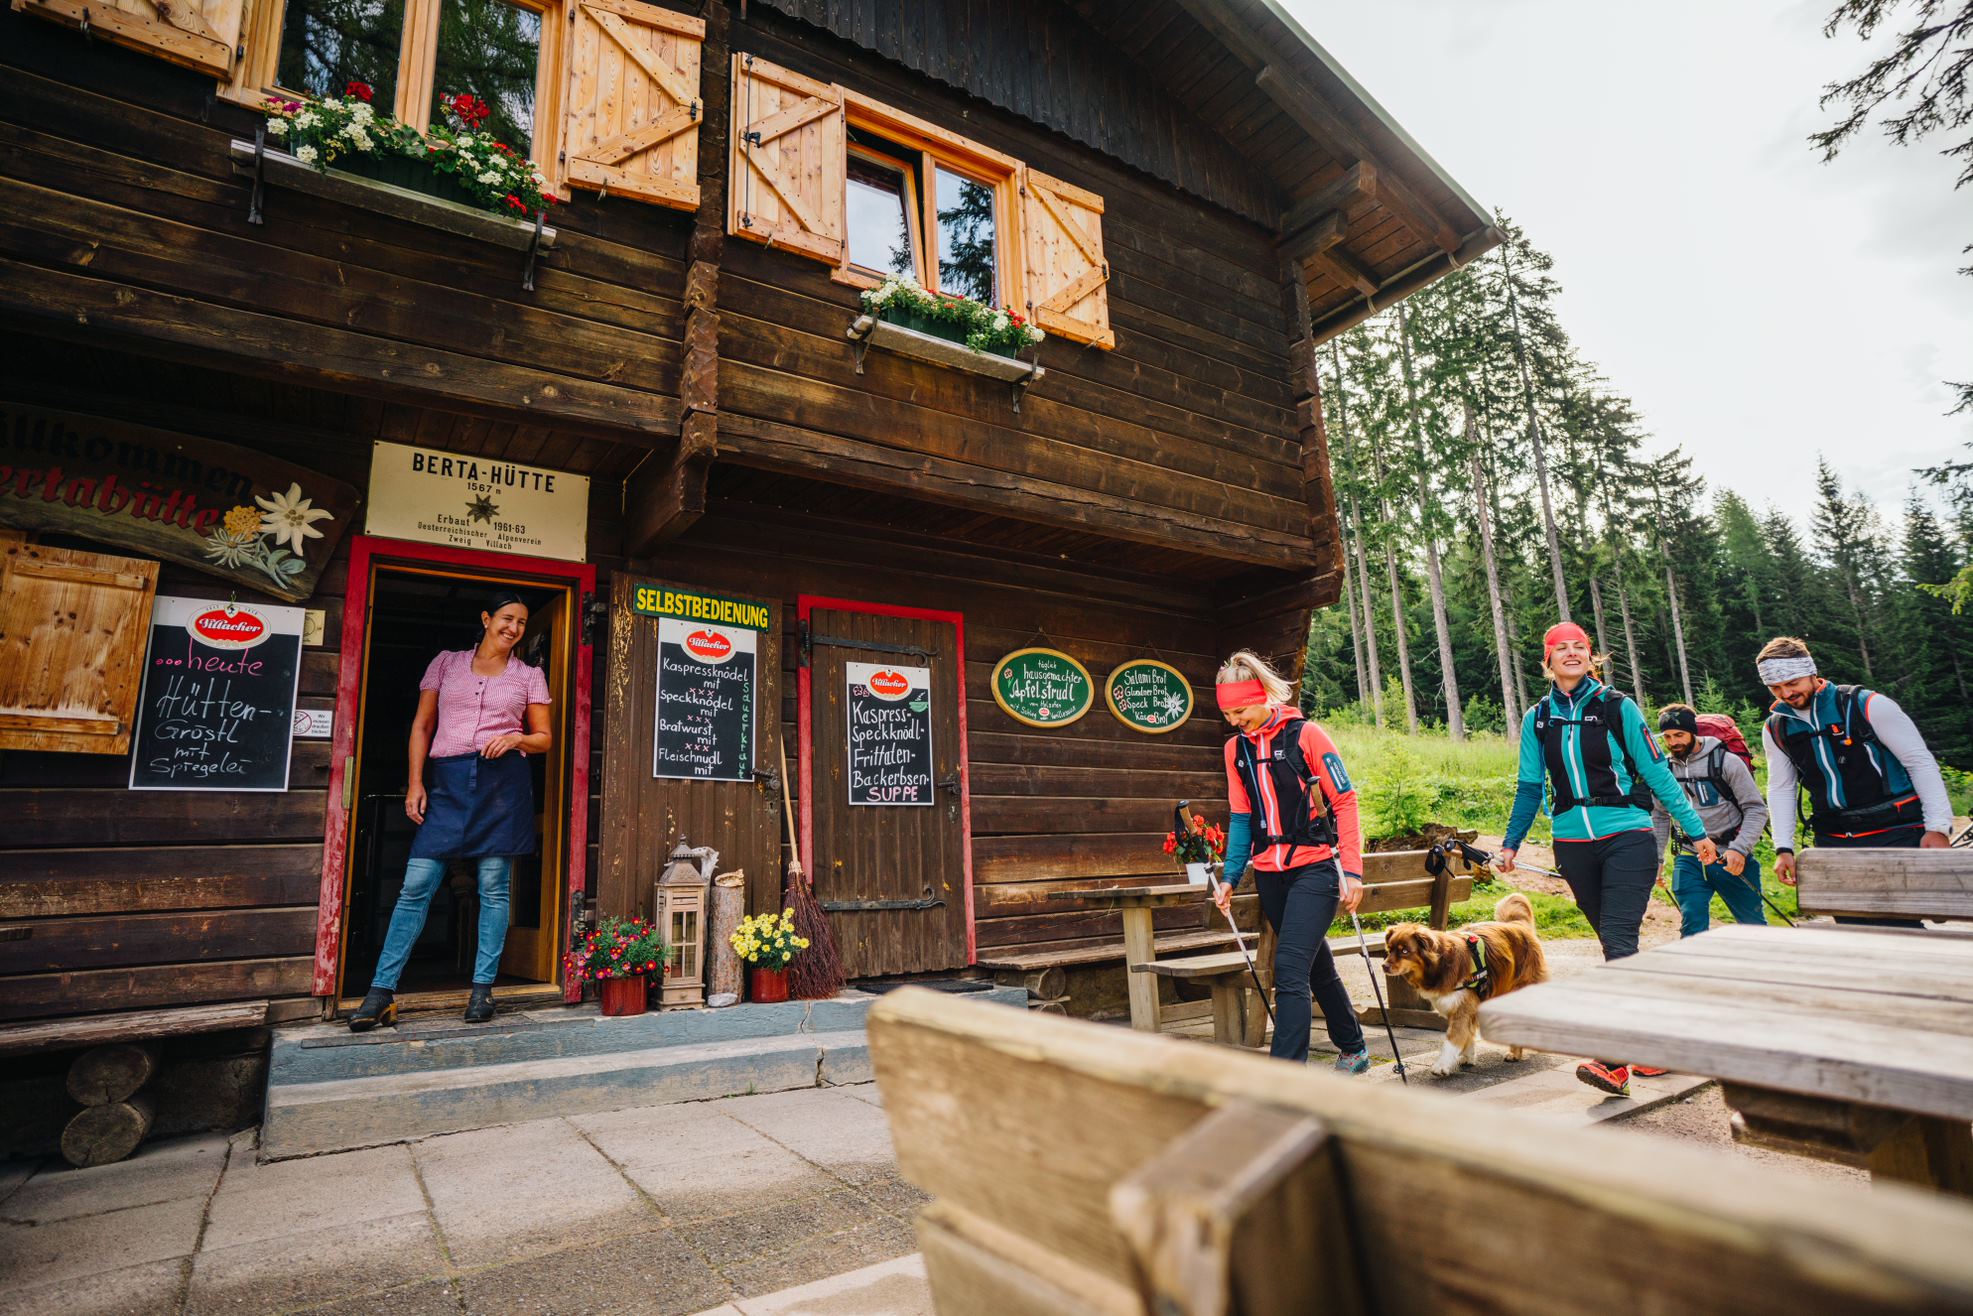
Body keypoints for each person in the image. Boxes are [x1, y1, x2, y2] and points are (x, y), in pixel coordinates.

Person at [1498, 623, 1717, 1096]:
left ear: (1593, 659)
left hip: (1627, 837)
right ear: (1548, 663)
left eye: (1581, 647)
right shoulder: (1538, 719)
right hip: (1572, 844)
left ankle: (1614, 1059)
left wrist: (1695, 830)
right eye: (1561, 649)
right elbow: (1530, 786)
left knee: (1618, 940)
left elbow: (1657, 772)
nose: (1572, 654)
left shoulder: (1618, 707)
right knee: (1616, 947)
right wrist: (1512, 843)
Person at [349, 591, 552, 1030]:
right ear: (486, 618)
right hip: (447, 781)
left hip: (502, 785)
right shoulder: (445, 663)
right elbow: (422, 725)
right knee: (417, 883)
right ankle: (381, 993)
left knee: (494, 886)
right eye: (506, 618)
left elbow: (545, 738)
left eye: (521, 621)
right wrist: (417, 782)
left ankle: (482, 991)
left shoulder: (529, 675)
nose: (513, 628)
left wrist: (517, 739)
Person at [1209, 649, 1370, 1073]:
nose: (1234, 720)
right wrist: (1230, 876)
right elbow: (1242, 818)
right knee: (1316, 964)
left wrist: (1351, 871)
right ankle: (1353, 1047)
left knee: (1290, 969)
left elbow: (1345, 801)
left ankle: (1283, 1080)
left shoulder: (1306, 735)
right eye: (1227, 714)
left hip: (1315, 865)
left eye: (1240, 710)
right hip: (1269, 874)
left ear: (1262, 695)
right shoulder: (1234, 751)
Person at [1758, 636, 1951, 926]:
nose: (1786, 693)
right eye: (1776, 687)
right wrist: (1783, 848)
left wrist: (1938, 828)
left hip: (1893, 832)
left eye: (1793, 683)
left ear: (1812, 672)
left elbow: (1920, 762)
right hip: (1833, 838)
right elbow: (1781, 788)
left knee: (1900, 927)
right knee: (1852, 929)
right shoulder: (1776, 727)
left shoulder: (1867, 705)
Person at [1650, 703, 1771, 937]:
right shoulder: (1665, 770)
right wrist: (1656, 860)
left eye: (1679, 735)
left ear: (1693, 732)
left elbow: (1756, 809)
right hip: (1689, 857)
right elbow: (1660, 815)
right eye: (1667, 736)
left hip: (1731, 856)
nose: (1673, 742)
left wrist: (1740, 849)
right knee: (1691, 921)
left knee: (1753, 927)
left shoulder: (1727, 762)